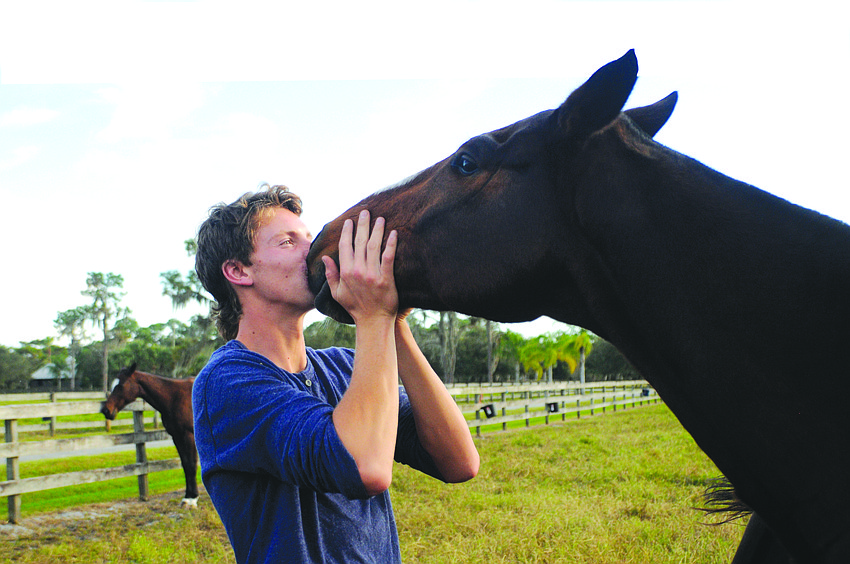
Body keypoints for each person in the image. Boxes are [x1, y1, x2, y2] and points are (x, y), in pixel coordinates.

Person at [192, 184, 479, 564]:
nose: (312, 250)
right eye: (287, 242)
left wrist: (395, 323)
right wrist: (373, 315)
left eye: (309, 238)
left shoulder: (345, 367)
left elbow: (458, 461)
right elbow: (365, 468)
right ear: (238, 271)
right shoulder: (227, 382)